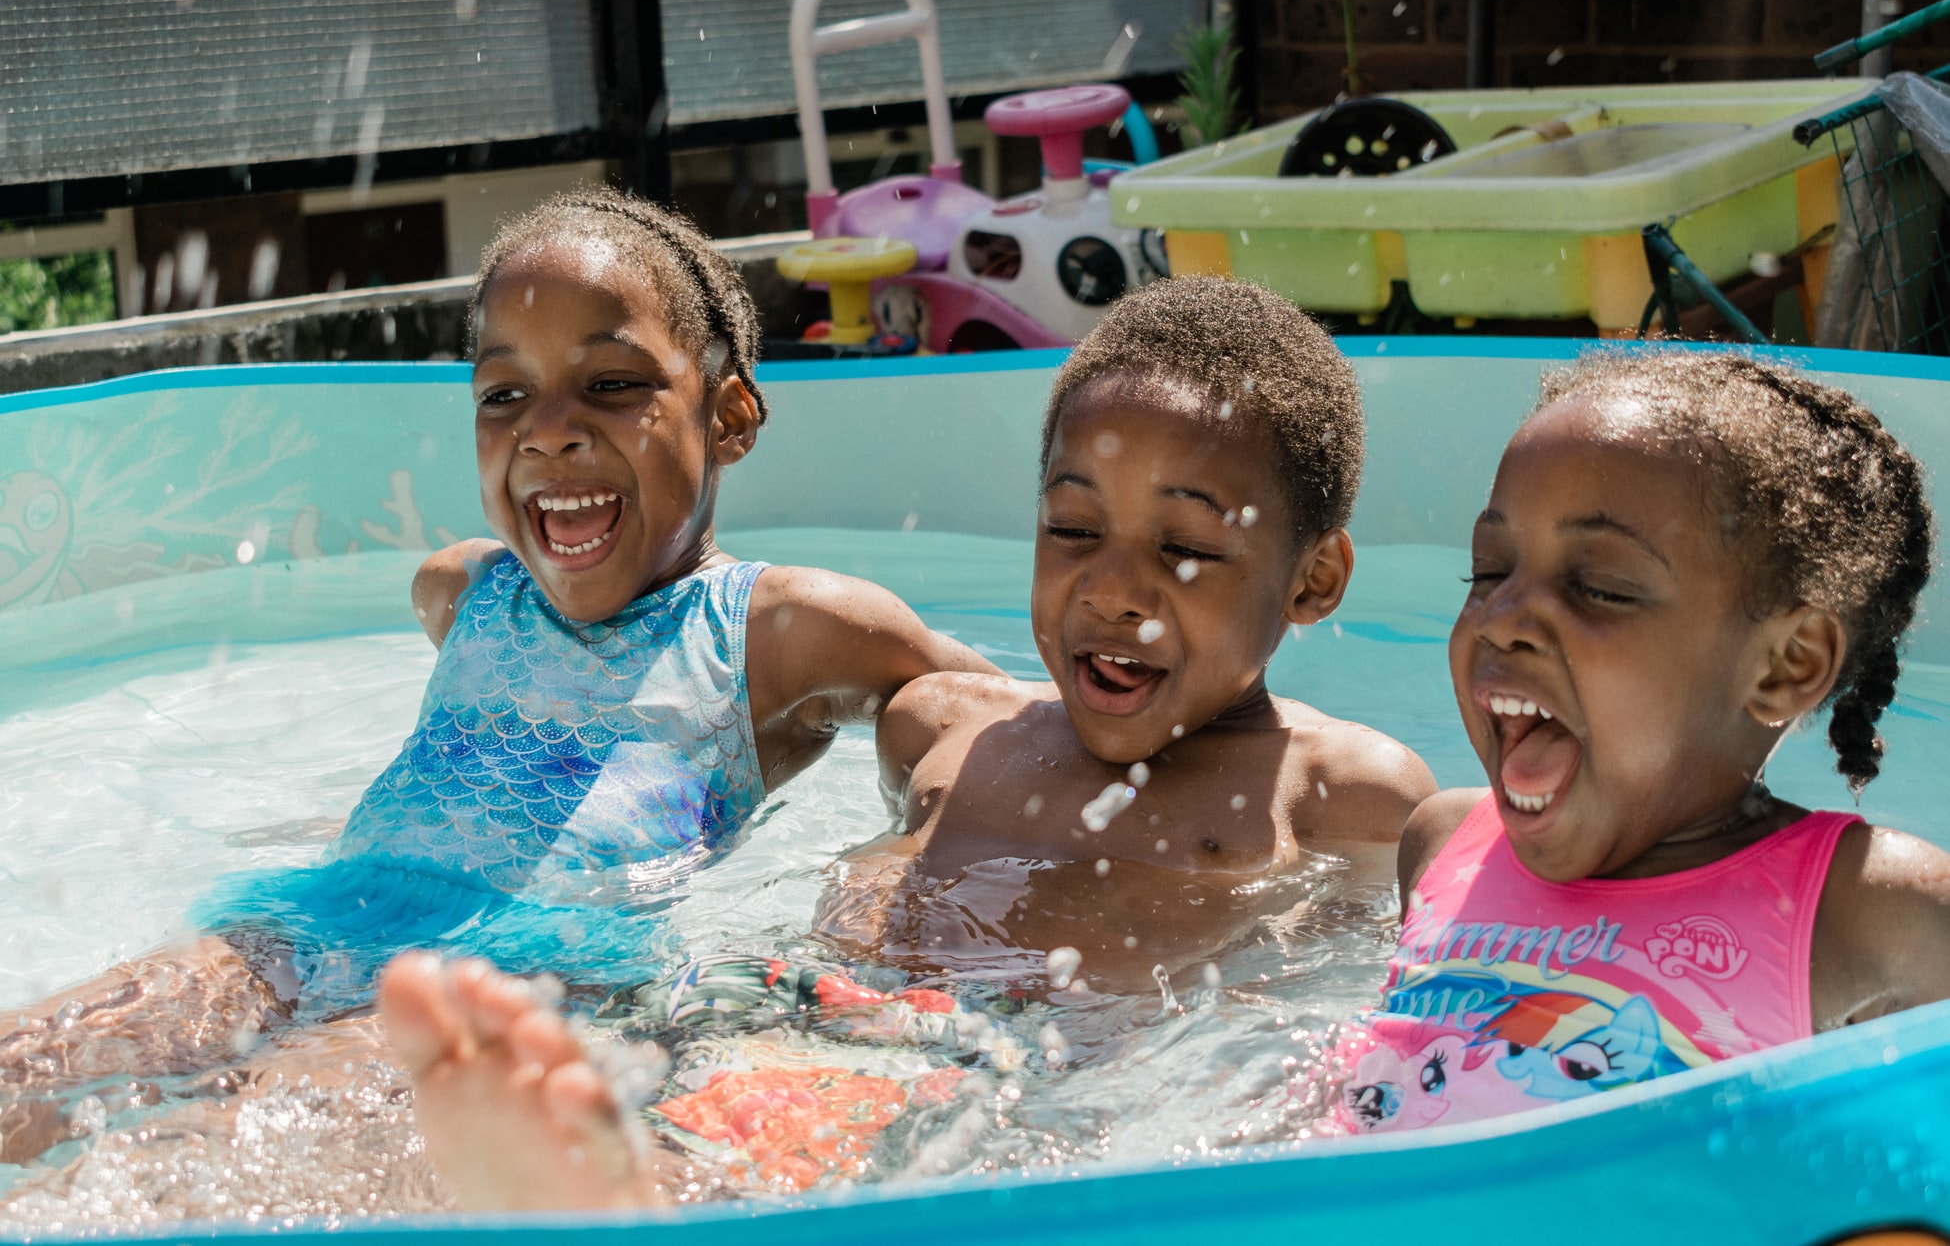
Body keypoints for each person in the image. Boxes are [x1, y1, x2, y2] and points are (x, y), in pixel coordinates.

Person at [377, 275, 1439, 1209]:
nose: (1111, 588)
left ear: (1314, 579)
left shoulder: (1337, 789)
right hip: (779, 993)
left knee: (839, 1121)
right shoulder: (946, 724)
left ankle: (607, 1185)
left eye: (1185, 547)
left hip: (995, 1052)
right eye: (1072, 530)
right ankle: (576, 1159)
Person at [0, 190, 995, 1161]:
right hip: (307, 920)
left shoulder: (778, 628)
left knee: (203, 1153)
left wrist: (899, 860)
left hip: (518, 970)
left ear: (728, 414)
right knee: (29, 1064)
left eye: (611, 383)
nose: (548, 427)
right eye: (504, 392)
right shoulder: (464, 590)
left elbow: (988, 714)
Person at [1331, 350, 1950, 1135]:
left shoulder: (1876, 913)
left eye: (1600, 587)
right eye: (1488, 571)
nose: (1501, 616)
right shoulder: (1444, 840)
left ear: (1784, 665)